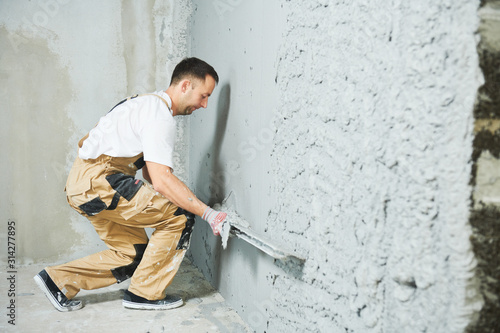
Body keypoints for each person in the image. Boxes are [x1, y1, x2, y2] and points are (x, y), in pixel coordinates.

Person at [34, 57, 228, 311]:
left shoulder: (143, 104)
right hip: (100, 183)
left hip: (85, 184)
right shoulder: (160, 116)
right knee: (179, 216)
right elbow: (160, 181)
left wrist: (176, 195)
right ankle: (144, 295)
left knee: (132, 253)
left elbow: (150, 174)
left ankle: (57, 280)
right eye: (203, 96)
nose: (203, 105)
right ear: (185, 85)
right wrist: (208, 213)